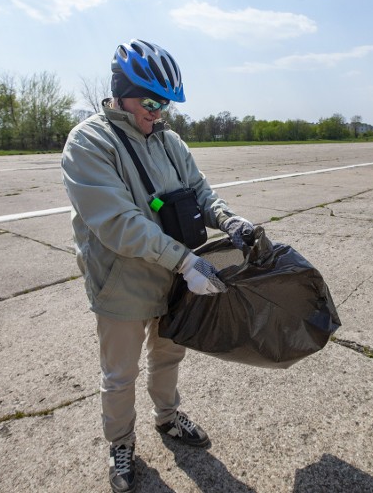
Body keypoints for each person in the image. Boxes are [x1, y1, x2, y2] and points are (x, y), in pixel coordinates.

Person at [61, 39, 254, 493]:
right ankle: (121, 442)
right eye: (150, 101)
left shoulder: (168, 140)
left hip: (174, 276)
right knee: (119, 373)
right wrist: (185, 261)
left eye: (164, 103)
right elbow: (118, 223)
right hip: (122, 280)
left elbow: (200, 191)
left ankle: (167, 418)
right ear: (121, 92)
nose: (158, 111)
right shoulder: (89, 142)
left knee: (169, 354)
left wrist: (229, 219)